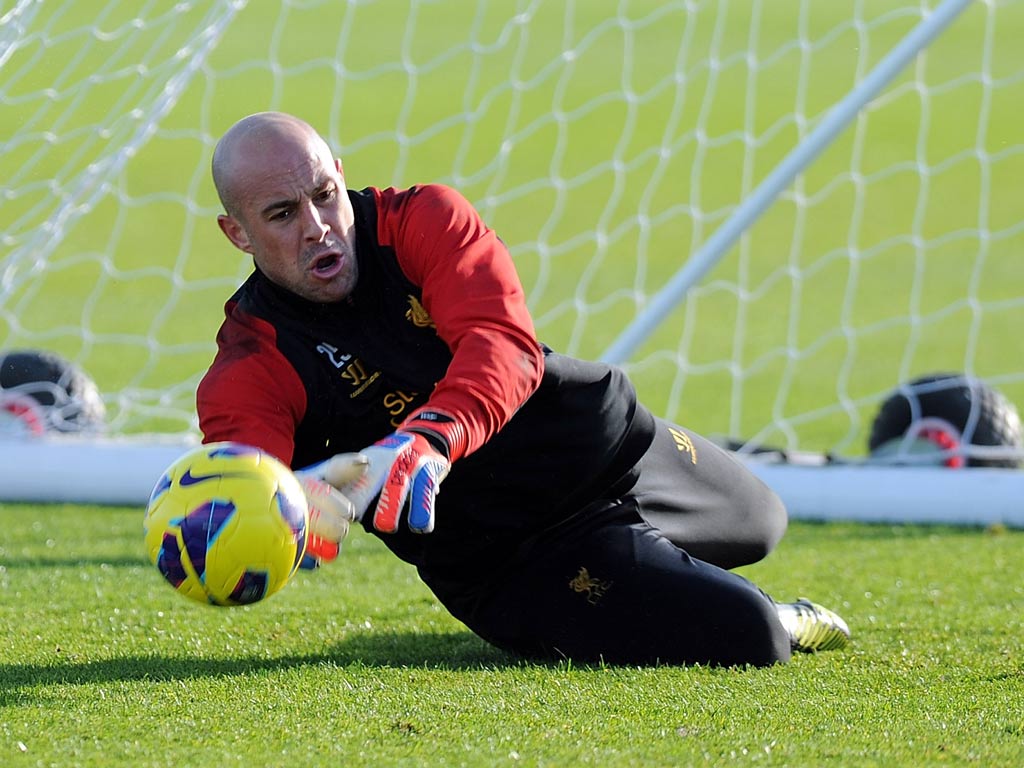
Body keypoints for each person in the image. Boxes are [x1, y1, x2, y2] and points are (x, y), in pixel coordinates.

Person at [197, 111, 850, 667]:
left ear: (340, 173)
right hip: (511, 559)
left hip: (603, 451)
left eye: (323, 193)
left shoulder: (421, 219)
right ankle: (687, 591)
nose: (317, 226)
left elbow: (502, 344)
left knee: (762, 522)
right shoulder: (251, 362)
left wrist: (430, 441)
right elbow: (249, 486)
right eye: (282, 214)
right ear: (238, 234)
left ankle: (650, 575)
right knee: (753, 634)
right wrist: (280, 518)